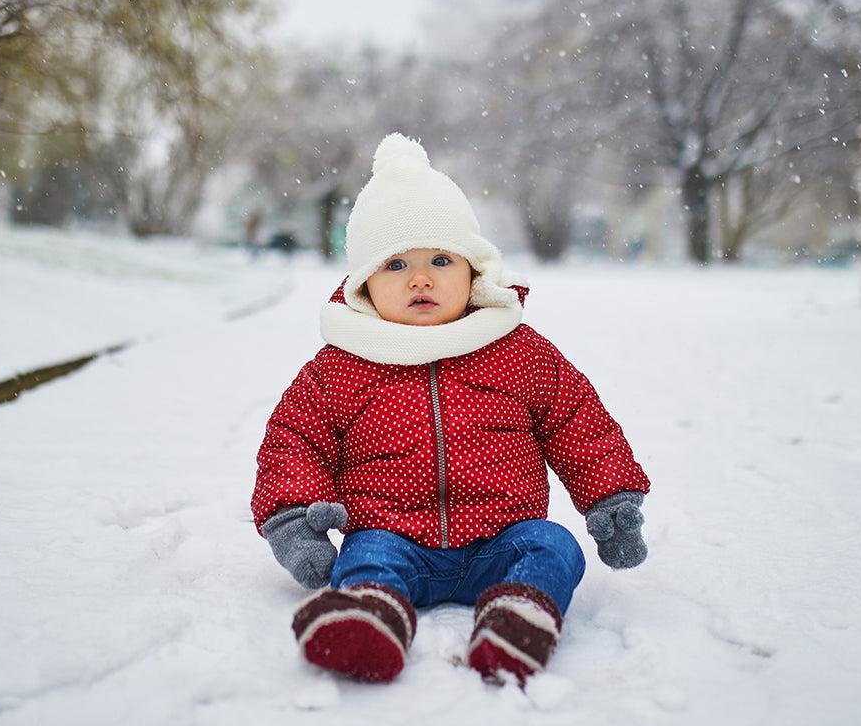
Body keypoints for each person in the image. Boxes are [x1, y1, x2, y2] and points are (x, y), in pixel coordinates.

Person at [252, 133, 651, 685]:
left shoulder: (516, 350)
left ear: (474, 271)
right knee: (364, 558)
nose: (421, 278)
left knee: (554, 545)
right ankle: (371, 616)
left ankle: (519, 615)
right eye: (395, 264)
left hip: (503, 536)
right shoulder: (342, 365)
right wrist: (293, 519)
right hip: (392, 536)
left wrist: (611, 499)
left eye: (441, 259)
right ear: (364, 283)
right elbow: (296, 439)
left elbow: (577, 420)